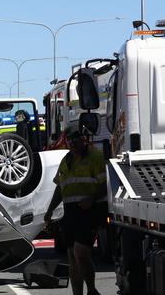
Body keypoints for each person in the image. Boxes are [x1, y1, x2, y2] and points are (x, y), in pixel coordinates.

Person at [44, 124, 106, 295]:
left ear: (83, 139)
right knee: (72, 257)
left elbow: (106, 184)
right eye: (69, 140)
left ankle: (92, 290)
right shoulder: (66, 161)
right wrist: (49, 211)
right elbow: (59, 188)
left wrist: (92, 199)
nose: (72, 143)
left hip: (90, 210)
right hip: (70, 213)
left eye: (75, 139)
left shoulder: (95, 158)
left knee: (80, 252)